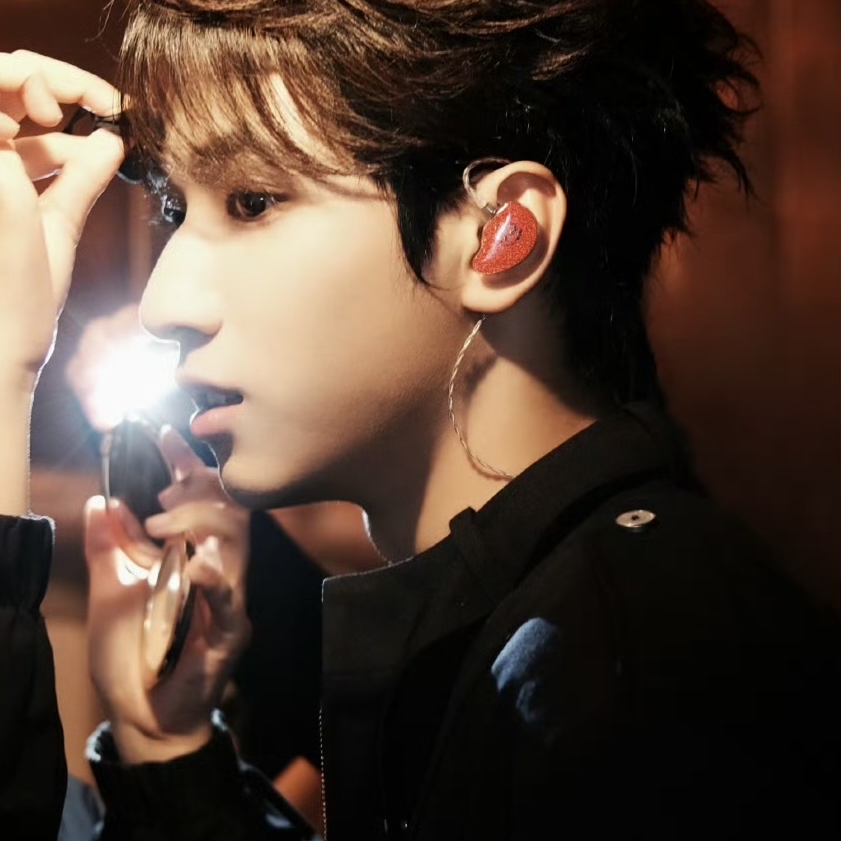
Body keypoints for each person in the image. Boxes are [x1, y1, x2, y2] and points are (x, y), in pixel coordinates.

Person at [0, 1, 839, 839]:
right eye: (176, 210)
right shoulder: (549, 631)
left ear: (498, 236)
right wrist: (168, 742)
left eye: (251, 201)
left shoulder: (634, 689)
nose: (164, 303)